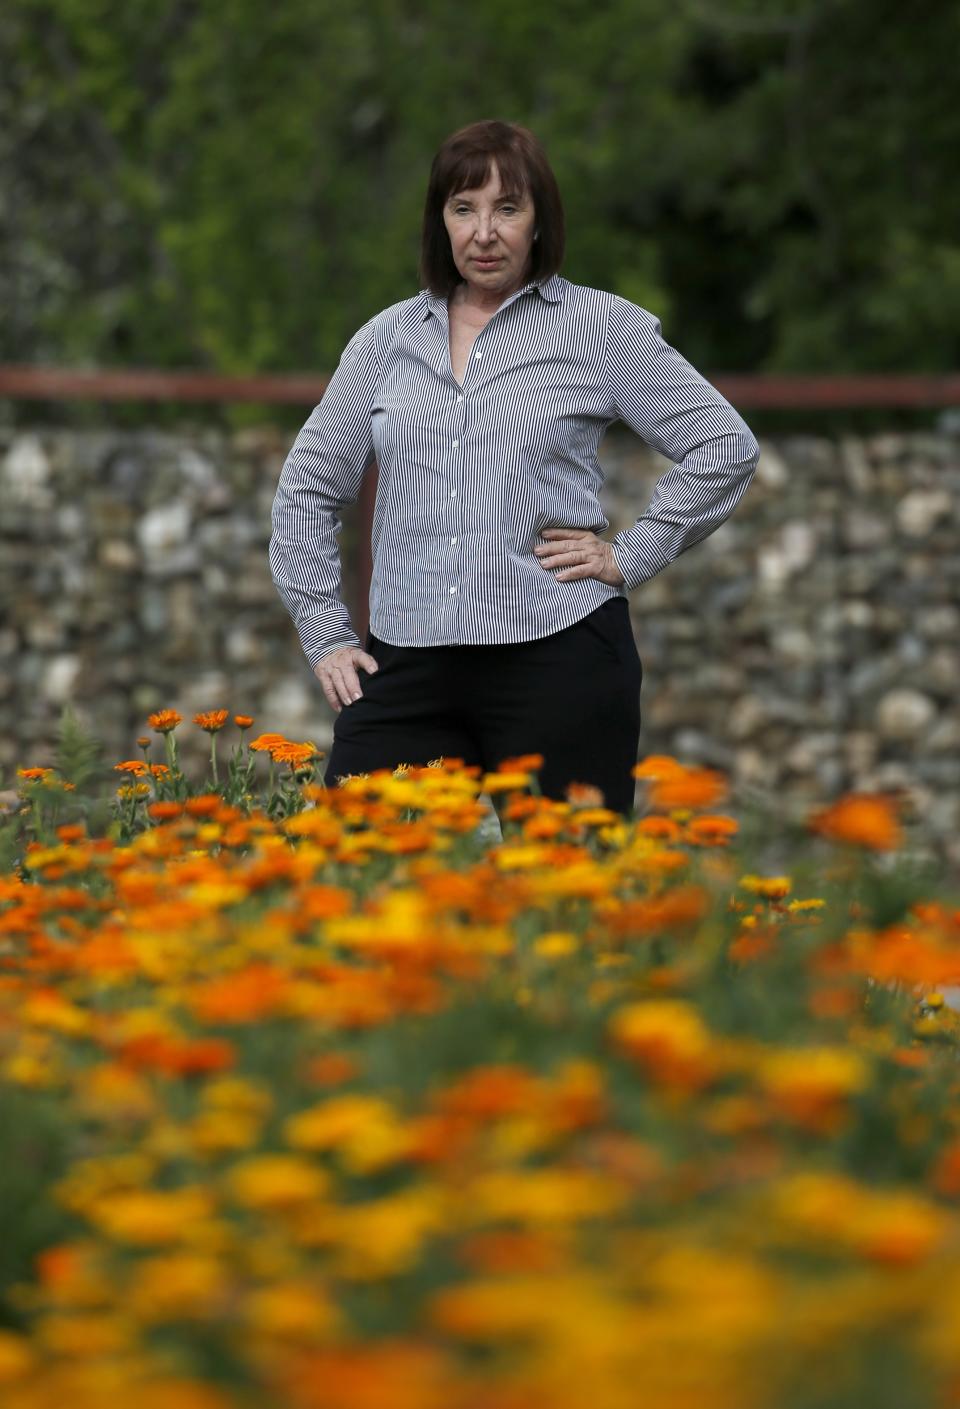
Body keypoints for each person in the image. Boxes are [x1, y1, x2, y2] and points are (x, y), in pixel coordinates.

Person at [269, 119, 760, 816]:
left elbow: (724, 445)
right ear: (440, 223)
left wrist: (631, 554)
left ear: (540, 221)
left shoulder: (600, 329)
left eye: (507, 209)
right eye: (463, 209)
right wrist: (324, 631)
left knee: (567, 896)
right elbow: (308, 487)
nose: (484, 233)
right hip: (407, 661)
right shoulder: (385, 341)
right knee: (360, 881)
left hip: (558, 654)